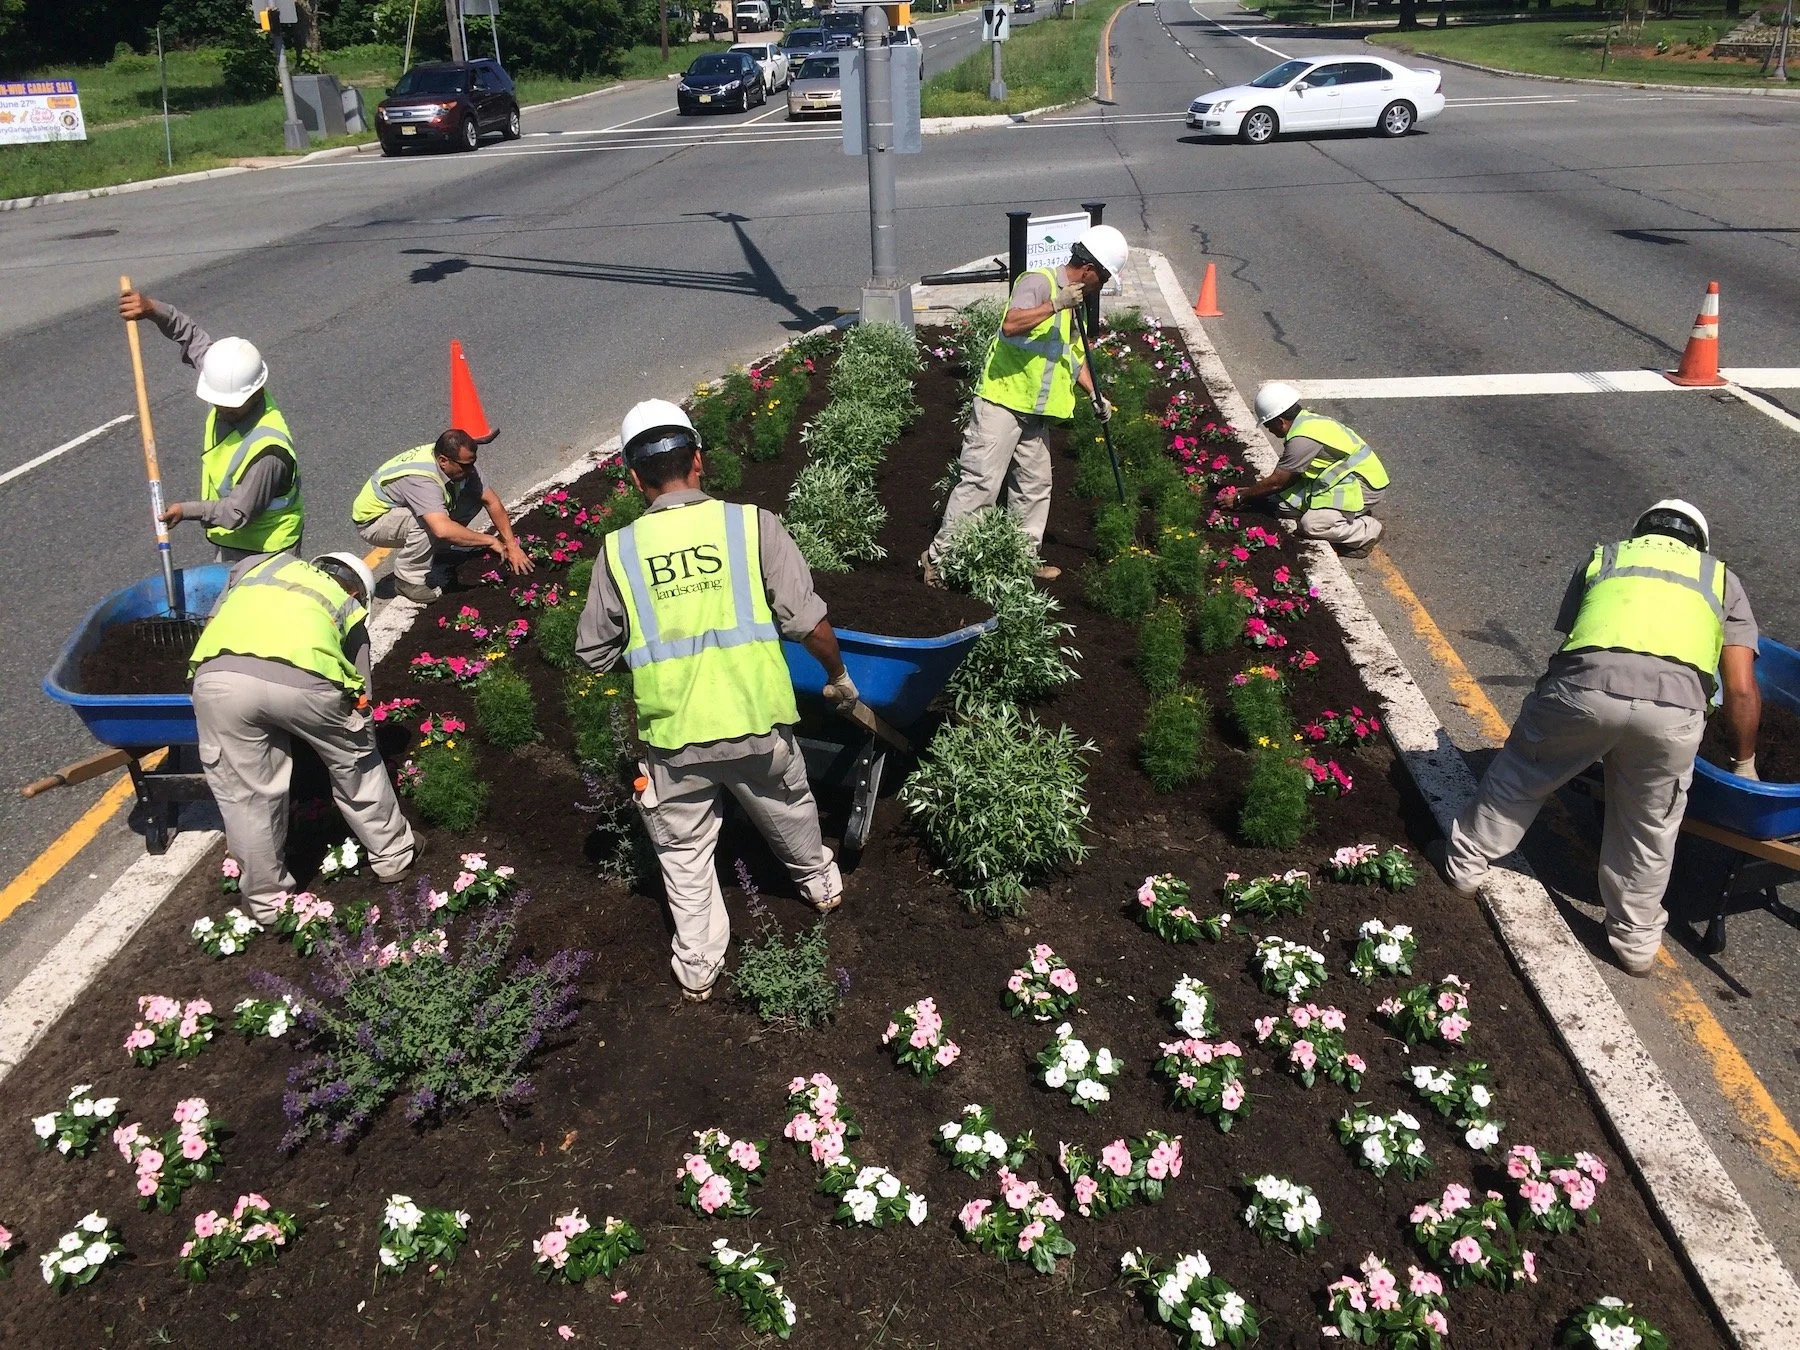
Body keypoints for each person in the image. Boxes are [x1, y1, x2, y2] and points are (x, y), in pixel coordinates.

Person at [575, 399, 853, 1002]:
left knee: (684, 850)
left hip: (674, 740)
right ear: (698, 459)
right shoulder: (751, 525)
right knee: (788, 807)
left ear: (633, 477)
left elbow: (593, 653)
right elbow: (807, 622)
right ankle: (820, 885)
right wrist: (838, 677)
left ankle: (699, 963)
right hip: (756, 722)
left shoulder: (619, 551)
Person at [1431, 500, 1761, 976]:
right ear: (1699, 544)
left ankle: (1463, 868)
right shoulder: (1721, 578)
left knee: (1523, 775)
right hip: (1672, 713)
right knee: (1649, 826)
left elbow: (1574, 634)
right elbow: (1742, 688)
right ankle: (1635, 944)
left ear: (1641, 530)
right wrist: (1744, 762)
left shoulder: (1606, 556)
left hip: (1585, 690)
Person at [189, 550, 417, 924]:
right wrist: (357, 741)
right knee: (355, 764)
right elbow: (361, 697)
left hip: (219, 679)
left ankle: (266, 903)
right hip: (305, 683)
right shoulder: (348, 606)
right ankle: (393, 857)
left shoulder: (259, 565)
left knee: (247, 795)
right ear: (359, 592)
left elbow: (213, 621)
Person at [922, 224, 1131, 586]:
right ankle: (938, 561)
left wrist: (1095, 394)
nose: (1103, 285)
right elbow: (1010, 324)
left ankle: (1019, 558)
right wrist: (1056, 304)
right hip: (1000, 403)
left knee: (1035, 486)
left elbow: (1072, 356)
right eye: (1106, 276)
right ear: (1090, 269)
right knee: (981, 484)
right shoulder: (1039, 283)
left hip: (1034, 413)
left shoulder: (1074, 304)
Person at [117, 289, 303, 563]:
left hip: (270, 551)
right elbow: (191, 336)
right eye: (217, 401)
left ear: (253, 394)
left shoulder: (269, 453)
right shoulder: (228, 381)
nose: (220, 408)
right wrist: (153, 309)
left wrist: (185, 510)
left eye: (227, 404)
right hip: (230, 543)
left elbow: (235, 513)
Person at [351, 429, 534, 603]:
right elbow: (441, 529)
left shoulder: (458, 463)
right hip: (375, 521)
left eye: (472, 463)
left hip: (405, 508)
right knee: (430, 523)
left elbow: (491, 502)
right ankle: (408, 579)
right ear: (443, 460)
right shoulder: (422, 478)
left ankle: (437, 551)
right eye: (465, 466)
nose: (471, 470)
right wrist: (490, 540)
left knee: (471, 497)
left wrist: (511, 544)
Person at [1226, 382, 1390, 558]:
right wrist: (1254, 493)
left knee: (1311, 525)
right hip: (1340, 480)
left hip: (1363, 486)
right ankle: (1343, 515)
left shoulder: (1301, 440)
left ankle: (1368, 531)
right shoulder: (1306, 421)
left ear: (1280, 422)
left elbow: (1278, 481)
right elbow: (1288, 479)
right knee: (1282, 505)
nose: (1269, 431)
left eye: (1269, 426)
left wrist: (1241, 497)